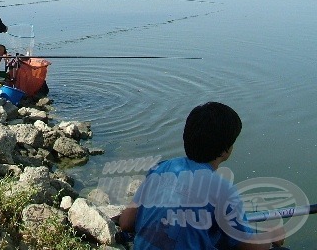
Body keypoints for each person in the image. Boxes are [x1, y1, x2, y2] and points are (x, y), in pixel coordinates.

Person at [118, 102, 286, 250]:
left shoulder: (161, 168)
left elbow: (126, 222)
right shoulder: (223, 190)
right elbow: (248, 246)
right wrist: (270, 236)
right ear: (226, 150)